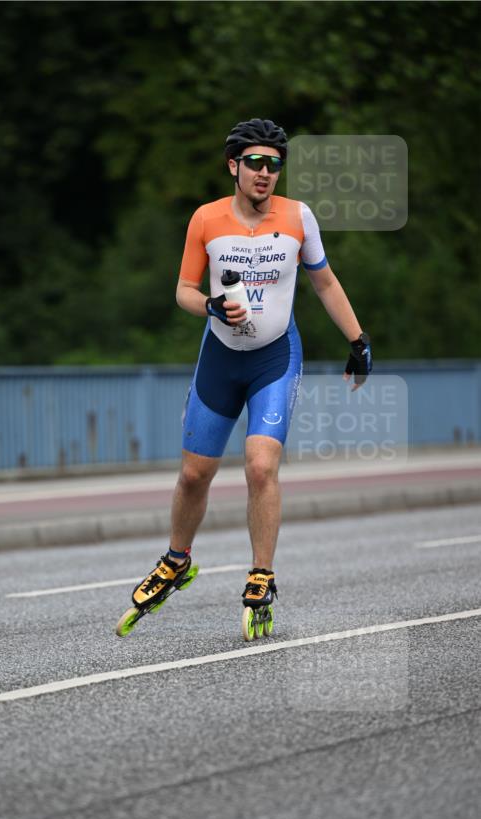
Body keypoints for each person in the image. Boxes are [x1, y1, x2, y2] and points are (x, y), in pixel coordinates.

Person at [128, 118, 371, 632]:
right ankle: (176, 560)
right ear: (234, 166)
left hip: (273, 358)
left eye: (275, 164)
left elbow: (325, 283)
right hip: (220, 356)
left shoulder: (299, 217)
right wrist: (212, 306)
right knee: (195, 474)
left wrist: (358, 340)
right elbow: (184, 291)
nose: (265, 173)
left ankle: (261, 573)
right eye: (255, 163)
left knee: (261, 466)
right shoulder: (206, 219)